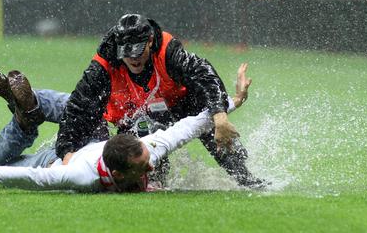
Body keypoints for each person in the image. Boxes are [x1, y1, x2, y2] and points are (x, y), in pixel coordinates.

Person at [54, 14, 265, 188]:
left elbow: (203, 73)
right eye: (127, 54)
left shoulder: (167, 49)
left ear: (150, 42)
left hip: (182, 102)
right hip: (133, 114)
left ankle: (248, 179)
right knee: (135, 154)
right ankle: (153, 182)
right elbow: (77, 107)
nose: (133, 59)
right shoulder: (104, 63)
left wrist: (220, 116)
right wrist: (66, 152)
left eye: (138, 51)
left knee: (218, 132)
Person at [0, 63, 253, 192]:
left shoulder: (149, 149)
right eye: (144, 167)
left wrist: (233, 102)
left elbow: (192, 125)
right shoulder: (79, 176)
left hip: (98, 133)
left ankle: (29, 112)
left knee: (80, 107)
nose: (152, 166)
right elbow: (33, 179)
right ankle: (25, 117)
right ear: (117, 174)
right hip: (60, 159)